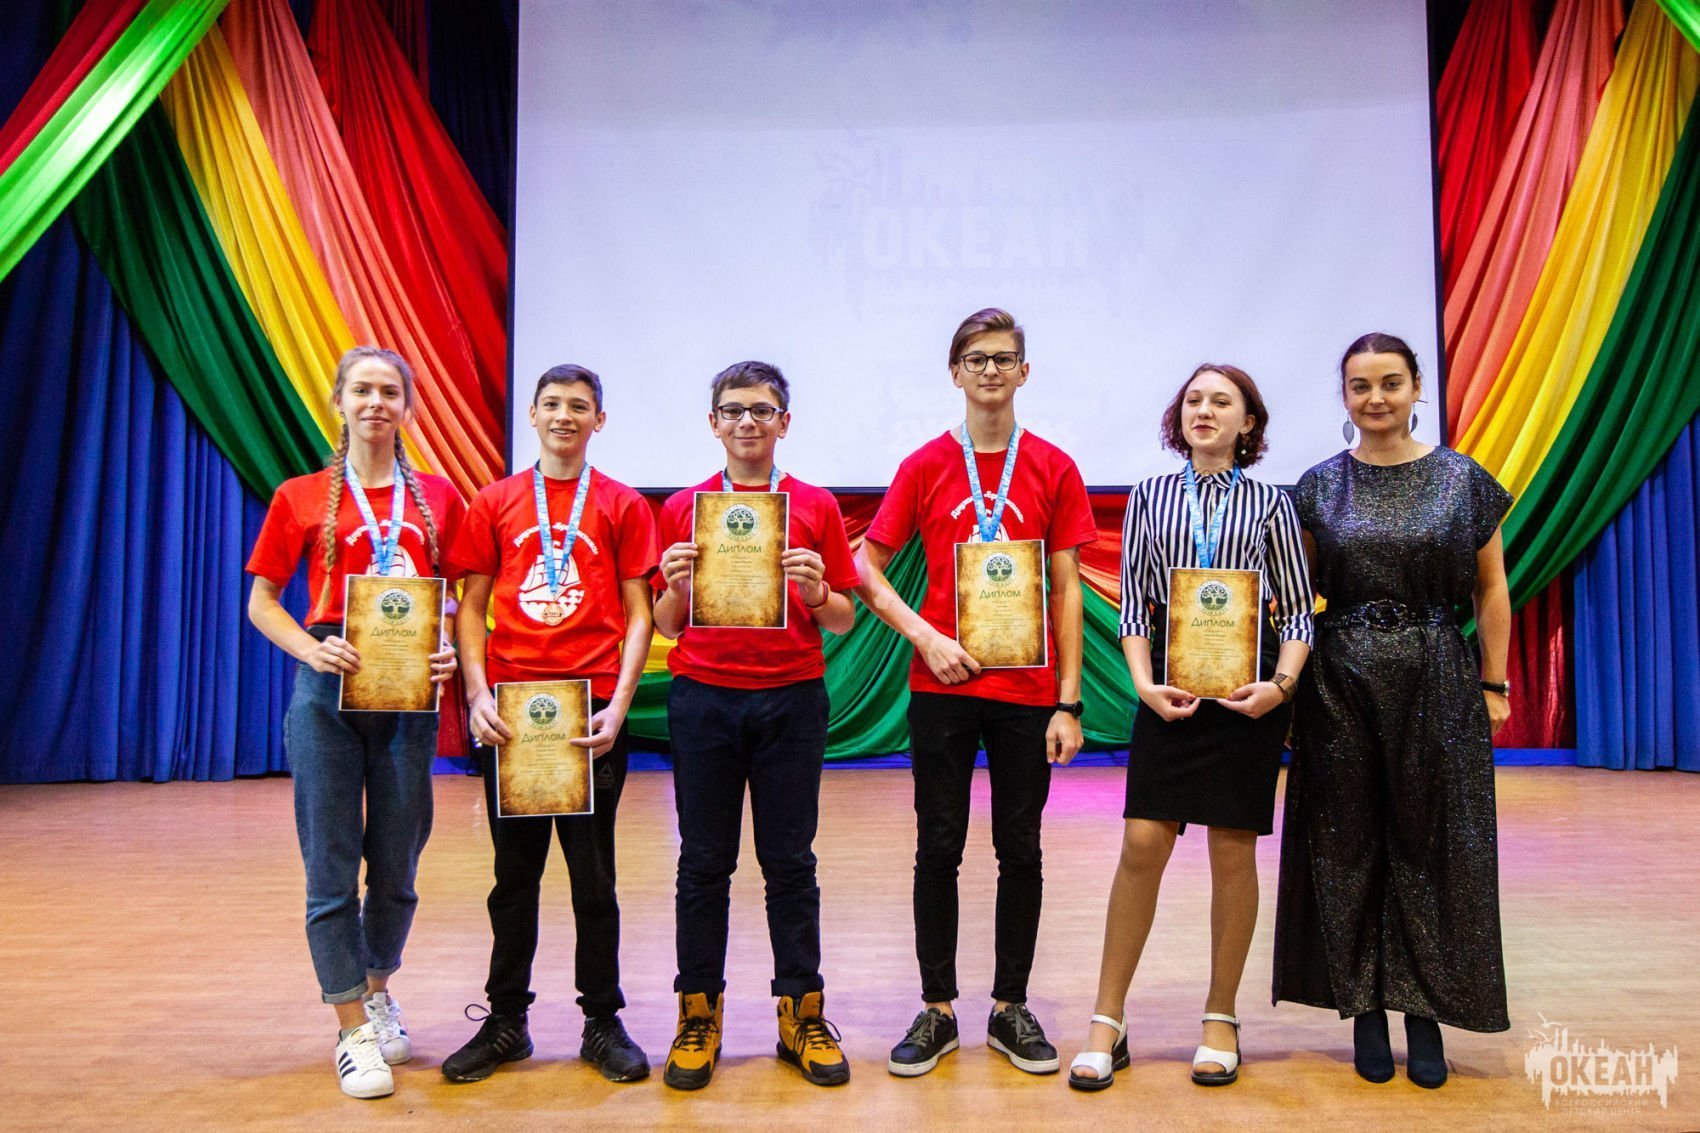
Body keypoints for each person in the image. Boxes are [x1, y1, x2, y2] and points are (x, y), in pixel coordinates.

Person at [854, 307, 1096, 1077]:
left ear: (1024, 371)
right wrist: (925, 636)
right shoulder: (925, 464)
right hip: (943, 684)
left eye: (1003, 358)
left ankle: (1009, 1006)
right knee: (938, 845)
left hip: (1028, 693)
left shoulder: (1054, 466)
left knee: (1020, 848)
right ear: (955, 372)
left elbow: (1068, 588)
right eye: (976, 358)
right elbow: (864, 566)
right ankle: (936, 1008)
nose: (990, 370)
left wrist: (1069, 702)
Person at [1273, 332, 1513, 1089]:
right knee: (1347, 843)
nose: (1375, 397)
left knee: (1431, 840)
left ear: (1416, 389)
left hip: (1437, 674)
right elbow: (1295, 596)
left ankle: (1424, 1011)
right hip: (1339, 681)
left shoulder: (1462, 480)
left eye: (1389, 383)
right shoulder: (1317, 487)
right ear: (1344, 396)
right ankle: (1366, 1008)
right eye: (1360, 385)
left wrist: (1495, 684)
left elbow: (1492, 587)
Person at [1067, 364, 1312, 1091]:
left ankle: (1221, 1017)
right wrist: (1143, 684)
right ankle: (1106, 1022)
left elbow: (1298, 612)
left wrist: (1280, 688)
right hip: (1168, 692)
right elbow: (1134, 605)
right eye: (1194, 400)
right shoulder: (1150, 496)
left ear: (1248, 424)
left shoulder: (1273, 504)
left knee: (1232, 850)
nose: (1204, 410)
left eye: (1221, 401)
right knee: (1142, 842)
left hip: (1245, 698)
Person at [246, 346, 465, 1099]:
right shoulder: (300, 495)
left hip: (408, 694)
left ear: (408, 407)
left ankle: (375, 990)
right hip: (327, 692)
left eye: (390, 391)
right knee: (331, 866)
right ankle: (351, 1031)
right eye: (363, 390)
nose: (376, 402)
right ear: (339, 401)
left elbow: (461, 593)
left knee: (398, 864)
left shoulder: (439, 498)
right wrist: (311, 647)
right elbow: (262, 601)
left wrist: (446, 643)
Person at [441, 365, 658, 1084]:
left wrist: (619, 705)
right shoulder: (495, 501)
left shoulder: (623, 503)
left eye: (580, 406)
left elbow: (639, 613)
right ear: (532, 415)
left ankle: (602, 1020)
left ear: (600, 420)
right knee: (513, 878)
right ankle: (507, 1020)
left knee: (594, 879)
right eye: (554, 404)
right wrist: (477, 694)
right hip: (513, 715)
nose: (566, 416)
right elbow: (472, 608)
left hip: (589, 713)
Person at [651, 360, 861, 1090]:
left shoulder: (816, 506)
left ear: (784, 423)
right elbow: (665, 623)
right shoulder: (684, 508)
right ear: (713, 423)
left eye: (762, 410)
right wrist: (677, 586)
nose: (748, 421)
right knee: (703, 863)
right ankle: (697, 1016)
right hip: (703, 699)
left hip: (791, 700)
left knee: (790, 861)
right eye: (734, 410)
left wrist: (819, 590)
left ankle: (801, 1013)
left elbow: (844, 617)